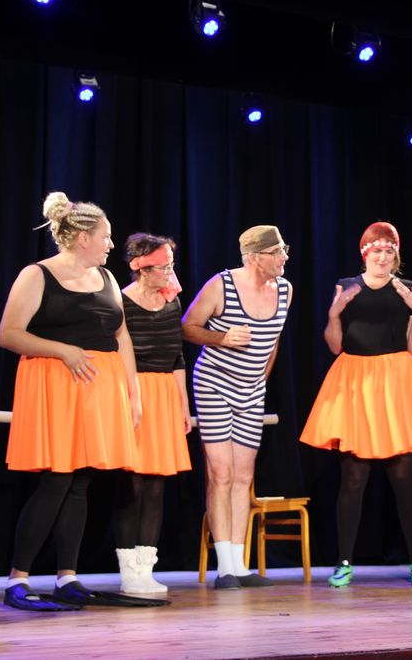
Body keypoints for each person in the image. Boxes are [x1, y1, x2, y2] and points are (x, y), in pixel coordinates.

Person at [0, 192, 142, 611]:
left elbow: (121, 337)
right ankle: (17, 580)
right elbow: (9, 333)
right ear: (82, 238)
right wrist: (62, 350)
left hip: (99, 390)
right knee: (57, 480)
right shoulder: (37, 275)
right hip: (56, 386)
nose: (111, 244)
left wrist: (132, 393)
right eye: (106, 236)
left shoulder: (108, 279)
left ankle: (67, 576)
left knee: (81, 482)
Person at [300, 222, 412, 588]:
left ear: (396, 255)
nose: (383, 257)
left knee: (403, 477)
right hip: (355, 381)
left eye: (389, 251)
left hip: (396, 380)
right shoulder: (346, 286)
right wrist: (333, 315)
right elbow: (335, 346)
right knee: (353, 478)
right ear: (365, 253)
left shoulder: (407, 288)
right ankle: (344, 561)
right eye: (376, 251)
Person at [182, 225, 292, 590]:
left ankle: (240, 566)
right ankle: (225, 567)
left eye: (284, 250)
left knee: (244, 477)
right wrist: (222, 338)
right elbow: (188, 326)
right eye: (277, 252)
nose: (284, 257)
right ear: (255, 257)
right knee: (222, 474)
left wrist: (260, 380)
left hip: (252, 391)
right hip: (214, 384)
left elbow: (273, 341)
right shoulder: (222, 285)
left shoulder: (285, 290)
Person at [114, 233, 193, 594]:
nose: (169, 273)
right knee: (131, 485)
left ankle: (146, 568)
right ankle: (128, 569)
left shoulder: (172, 302)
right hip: (133, 392)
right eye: (163, 267)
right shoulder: (121, 303)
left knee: (156, 485)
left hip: (164, 394)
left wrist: (183, 405)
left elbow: (177, 357)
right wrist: (130, 397)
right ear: (142, 268)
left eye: (170, 266)